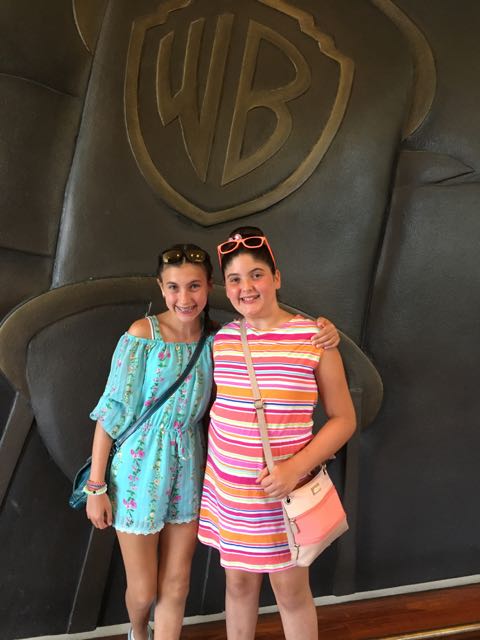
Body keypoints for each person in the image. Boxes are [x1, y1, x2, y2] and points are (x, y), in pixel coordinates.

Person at [84, 242, 340, 640]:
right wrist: (96, 485)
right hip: (147, 471)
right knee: (148, 589)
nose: (184, 298)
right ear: (161, 288)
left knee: (181, 583)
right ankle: (137, 632)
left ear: (208, 288)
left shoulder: (217, 340)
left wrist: (325, 331)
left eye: (194, 286)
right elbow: (111, 411)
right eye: (173, 287)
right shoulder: (162, 336)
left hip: (195, 469)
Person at [198, 227, 356, 640]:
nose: (246, 287)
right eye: (235, 279)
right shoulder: (222, 341)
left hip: (284, 495)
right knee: (238, 585)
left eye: (256, 275)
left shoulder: (314, 338)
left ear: (277, 278)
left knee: (290, 591)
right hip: (230, 493)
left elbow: (344, 419)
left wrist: (294, 469)